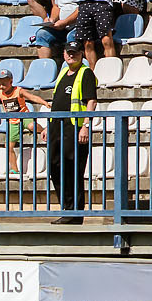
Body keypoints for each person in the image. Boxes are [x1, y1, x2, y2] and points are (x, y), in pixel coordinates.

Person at [46, 45, 95, 223]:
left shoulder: (85, 73)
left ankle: (74, 212)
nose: (71, 55)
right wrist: (47, 126)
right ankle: (67, 208)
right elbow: (57, 102)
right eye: (68, 52)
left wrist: (86, 126)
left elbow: (91, 101)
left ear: (82, 54)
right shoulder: (62, 73)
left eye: (75, 52)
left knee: (72, 169)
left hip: (74, 127)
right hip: (56, 127)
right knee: (55, 168)